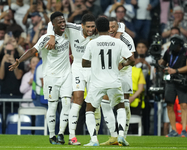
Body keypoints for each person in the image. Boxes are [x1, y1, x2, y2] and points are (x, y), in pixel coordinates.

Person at [46, 13, 125, 145]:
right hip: (77, 67)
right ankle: (72, 136)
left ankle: (99, 137)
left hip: (94, 69)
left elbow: (121, 24)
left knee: (99, 104)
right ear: (81, 25)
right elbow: (51, 23)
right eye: (88, 27)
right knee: (77, 100)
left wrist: (117, 36)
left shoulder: (98, 33)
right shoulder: (72, 28)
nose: (90, 29)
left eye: (93, 27)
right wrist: (52, 36)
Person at [9, 11, 72, 145]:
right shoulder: (45, 39)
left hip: (67, 74)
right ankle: (51, 135)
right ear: (53, 25)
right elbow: (32, 50)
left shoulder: (68, 32)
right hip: (51, 77)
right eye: (59, 22)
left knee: (67, 103)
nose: (63, 24)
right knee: (53, 105)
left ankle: (61, 133)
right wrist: (19, 61)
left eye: (63, 21)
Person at [82, 16, 134, 146]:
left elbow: (84, 63)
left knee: (89, 109)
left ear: (97, 28)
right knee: (120, 106)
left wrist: (95, 65)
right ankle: (121, 136)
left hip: (97, 83)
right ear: (108, 28)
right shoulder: (118, 42)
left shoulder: (92, 43)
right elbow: (132, 60)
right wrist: (121, 64)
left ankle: (94, 140)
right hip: (114, 81)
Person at [100, 17, 135, 146]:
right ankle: (113, 136)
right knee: (105, 102)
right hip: (109, 73)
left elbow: (132, 58)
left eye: (113, 27)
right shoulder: (104, 37)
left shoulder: (126, 38)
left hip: (123, 72)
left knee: (124, 103)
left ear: (117, 27)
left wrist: (122, 64)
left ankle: (123, 136)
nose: (111, 29)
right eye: (109, 27)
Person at [160, 34, 187, 137]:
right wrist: (158, 60)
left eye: (175, 46)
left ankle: (184, 131)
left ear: (180, 45)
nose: (173, 49)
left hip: (182, 80)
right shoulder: (169, 51)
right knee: (169, 104)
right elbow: (162, 63)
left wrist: (175, 70)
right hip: (170, 81)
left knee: (183, 105)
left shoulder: (186, 51)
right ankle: (173, 130)